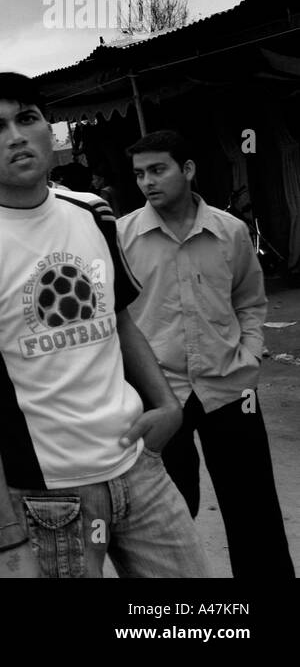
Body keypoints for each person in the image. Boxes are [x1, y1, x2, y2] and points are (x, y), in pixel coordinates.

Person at [0, 73, 210, 577]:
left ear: (48, 130)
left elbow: (118, 321)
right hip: (48, 497)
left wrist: (166, 405)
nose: (15, 135)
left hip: (138, 465)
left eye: (27, 119)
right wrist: (6, 540)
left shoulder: (95, 214)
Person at [118, 130, 292, 578]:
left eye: (158, 169)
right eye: (139, 174)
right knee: (167, 518)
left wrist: (250, 353)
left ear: (188, 169)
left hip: (229, 389)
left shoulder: (229, 231)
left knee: (254, 512)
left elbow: (250, 301)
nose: (147, 183)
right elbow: (116, 318)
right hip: (161, 396)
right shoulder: (122, 237)